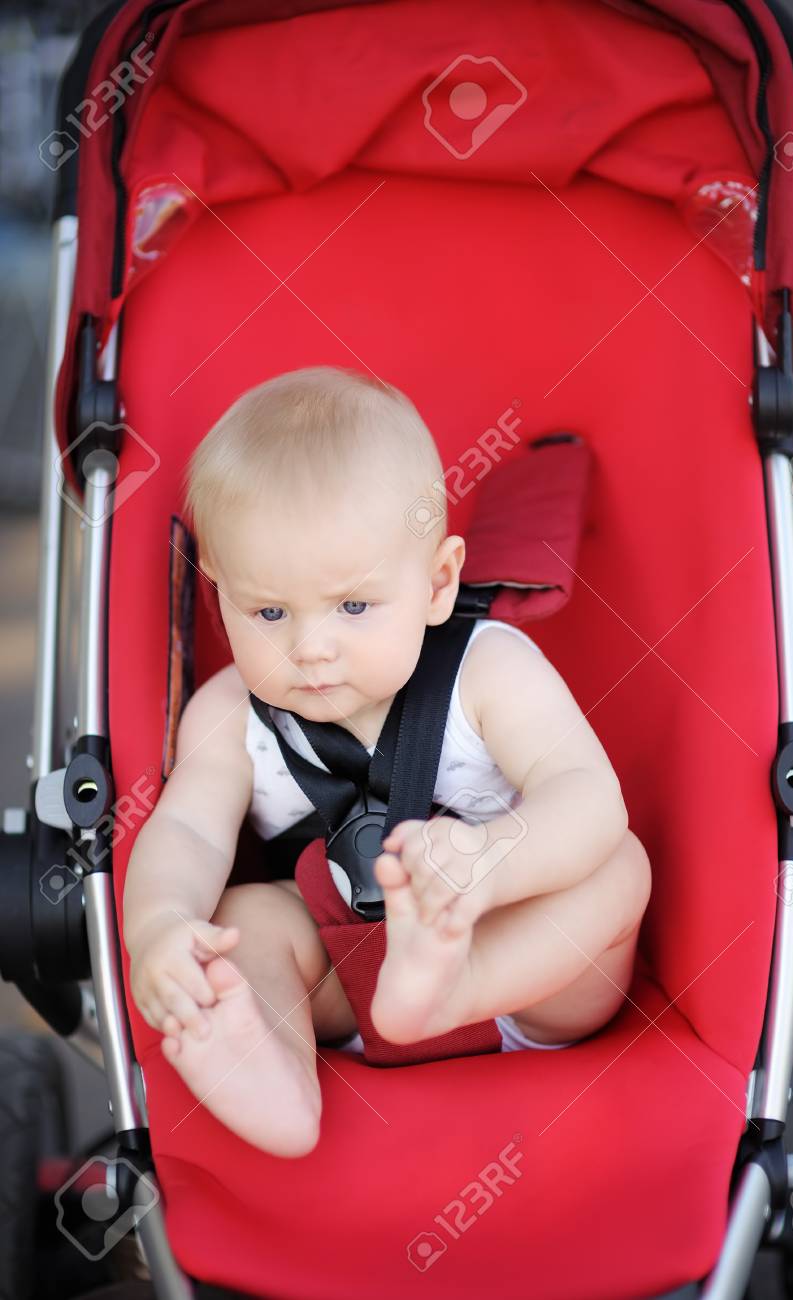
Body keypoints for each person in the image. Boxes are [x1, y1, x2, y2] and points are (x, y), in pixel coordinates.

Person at [123, 366, 651, 1157]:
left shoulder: (489, 670)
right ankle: (273, 1077)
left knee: (619, 866)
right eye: (268, 611)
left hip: (522, 972)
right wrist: (161, 928)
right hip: (345, 978)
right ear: (218, 594)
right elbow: (190, 835)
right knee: (245, 922)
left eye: (353, 607)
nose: (310, 648)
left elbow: (584, 794)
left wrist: (485, 865)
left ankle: (454, 987)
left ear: (438, 583)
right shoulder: (230, 715)